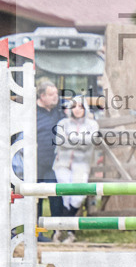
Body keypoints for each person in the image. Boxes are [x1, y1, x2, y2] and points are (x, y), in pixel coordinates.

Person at [52, 95, 100, 242]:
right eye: (74, 106)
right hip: (62, 164)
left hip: (82, 164)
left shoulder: (92, 124)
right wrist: (80, 141)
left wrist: (71, 140)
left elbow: (90, 141)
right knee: (66, 195)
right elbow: (60, 141)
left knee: (78, 196)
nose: (77, 109)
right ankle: (70, 233)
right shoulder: (62, 123)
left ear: (85, 108)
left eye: (80, 106)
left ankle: (61, 227)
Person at [36, 80, 64, 241]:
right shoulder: (31, 112)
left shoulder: (58, 111)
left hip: (54, 163)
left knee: (56, 196)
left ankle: (56, 232)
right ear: (42, 96)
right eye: (52, 95)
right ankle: (37, 232)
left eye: (56, 94)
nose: (56, 97)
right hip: (35, 162)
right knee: (35, 198)